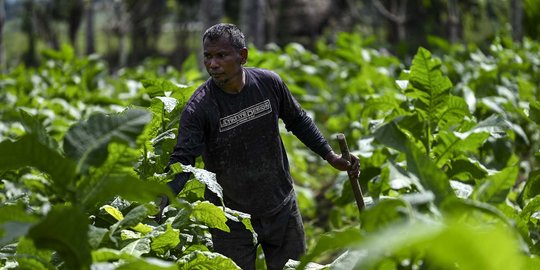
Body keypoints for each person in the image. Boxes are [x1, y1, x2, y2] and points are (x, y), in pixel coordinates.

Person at [161, 23, 360, 270]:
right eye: (208, 56)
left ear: (242, 56)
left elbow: (298, 121)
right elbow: (183, 160)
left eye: (221, 55)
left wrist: (330, 156)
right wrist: (160, 201)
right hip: (230, 219)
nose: (213, 64)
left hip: (281, 207)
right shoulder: (199, 108)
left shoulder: (268, 84)